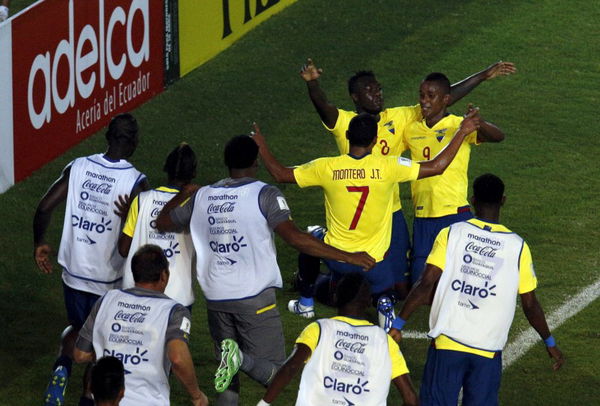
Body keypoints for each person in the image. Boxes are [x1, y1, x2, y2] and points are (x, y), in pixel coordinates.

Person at [155, 134, 375, 405]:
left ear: (226, 162)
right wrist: (349, 257)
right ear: (256, 161)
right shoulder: (265, 194)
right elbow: (295, 238)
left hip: (215, 298)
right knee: (277, 375)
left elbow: (163, 222)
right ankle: (241, 357)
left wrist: (184, 194)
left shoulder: (203, 196)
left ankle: (234, 358)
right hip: (253, 298)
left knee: (227, 374)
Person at [300, 58, 516, 298]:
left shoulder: (400, 119)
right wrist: (312, 84)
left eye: (378, 88)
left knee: (402, 289)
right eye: (369, 91)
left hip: (391, 213)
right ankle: (325, 285)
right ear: (355, 97)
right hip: (354, 214)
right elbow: (324, 106)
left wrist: (483, 76)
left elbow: (440, 99)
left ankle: (347, 285)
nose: (377, 94)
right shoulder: (345, 123)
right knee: (357, 275)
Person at [253, 109, 480, 331]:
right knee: (385, 285)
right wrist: (461, 132)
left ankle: (305, 303)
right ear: (374, 141)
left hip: (337, 258)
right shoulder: (389, 166)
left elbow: (281, 174)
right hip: (374, 263)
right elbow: (437, 167)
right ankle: (384, 302)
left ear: (348, 136)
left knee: (312, 236)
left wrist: (261, 145)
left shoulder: (327, 167)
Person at [389, 174, 565, 406]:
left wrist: (399, 324)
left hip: (447, 344)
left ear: (472, 200)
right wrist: (549, 342)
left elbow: (426, 283)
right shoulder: (518, 247)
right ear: (503, 200)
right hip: (487, 350)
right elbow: (530, 305)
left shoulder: (452, 233)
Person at [34, 113, 149, 406]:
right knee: (100, 344)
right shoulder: (135, 181)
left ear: (107, 136)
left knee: (75, 327)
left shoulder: (78, 166)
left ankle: (62, 367)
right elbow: (140, 234)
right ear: (134, 143)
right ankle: (87, 398)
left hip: (73, 272)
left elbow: (45, 207)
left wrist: (40, 243)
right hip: (107, 278)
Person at [73, 245, 209, 406]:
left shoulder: (107, 300)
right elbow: (178, 358)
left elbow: (80, 354)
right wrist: (197, 396)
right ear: (164, 275)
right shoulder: (174, 312)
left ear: (134, 273)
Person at [258, 272, 418, 406]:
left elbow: (290, 367)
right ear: (369, 303)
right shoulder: (385, 342)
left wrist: (264, 403)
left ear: (335, 298)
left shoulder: (318, 329)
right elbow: (411, 399)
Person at [406, 72, 505, 284]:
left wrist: (479, 123)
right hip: (422, 215)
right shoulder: (411, 129)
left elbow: (498, 136)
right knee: (419, 280)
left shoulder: (458, 125)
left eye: (431, 96)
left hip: (454, 213)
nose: (424, 101)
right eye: (422, 95)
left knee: (459, 276)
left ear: (446, 99)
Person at [118, 143, 197, 309]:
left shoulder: (141, 200)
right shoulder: (195, 205)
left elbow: (124, 250)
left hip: (136, 291)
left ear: (166, 168)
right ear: (193, 173)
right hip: (177, 296)